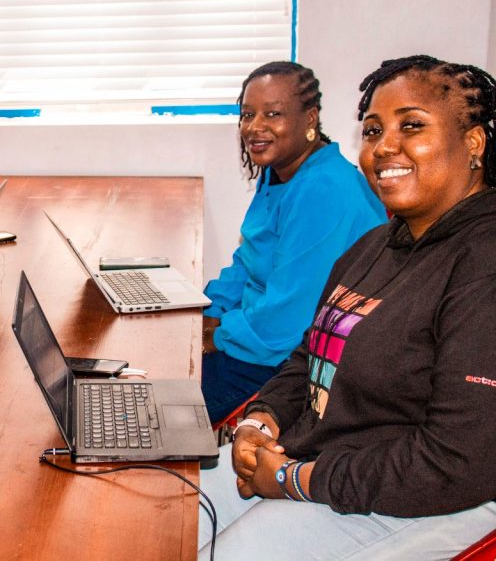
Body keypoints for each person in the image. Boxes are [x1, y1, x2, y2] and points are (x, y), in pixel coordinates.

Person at [198, 56, 496, 559]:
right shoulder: (376, 246)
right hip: (327, 458)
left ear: (472, 143)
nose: (384, 147)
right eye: (374, 130)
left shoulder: (482, 265)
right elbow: (307, 356)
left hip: (424, 495)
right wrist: (261, 421)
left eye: (412, 126)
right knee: (170, 509)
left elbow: (456, 461)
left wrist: (294, 479)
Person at [201, 61, 386, 423]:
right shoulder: (280, 171)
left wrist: (216, 336)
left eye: (273, 114)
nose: (255, 127)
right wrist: (208, 312)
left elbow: (287, 321)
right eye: (247, 114)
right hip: (259, 339)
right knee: (150, 379)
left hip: (288, 362)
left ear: (310, 118)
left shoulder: (323, 189)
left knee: (155, 414)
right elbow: (249, 261)